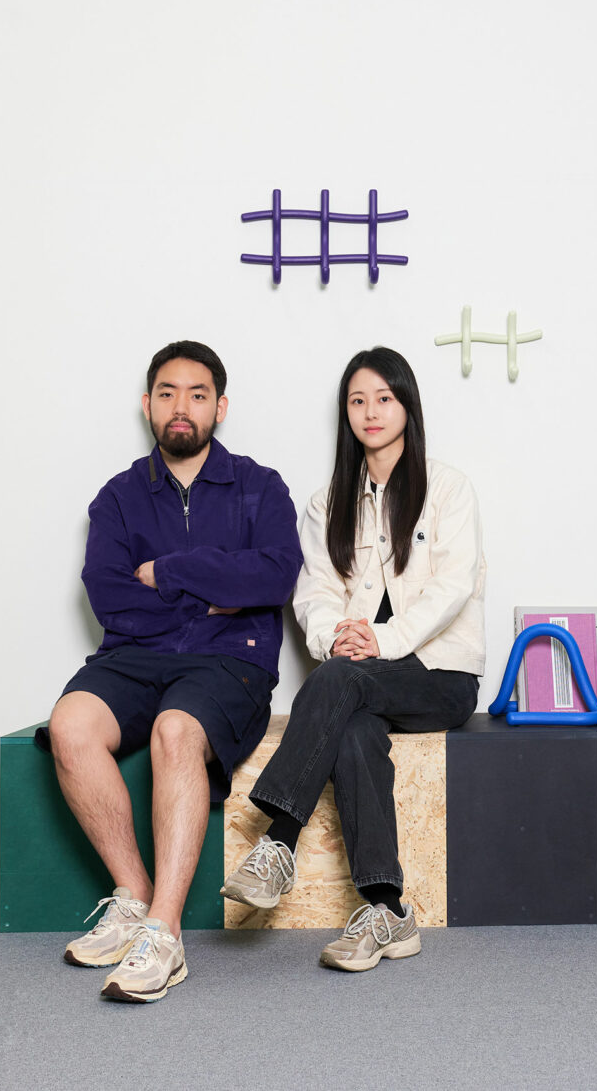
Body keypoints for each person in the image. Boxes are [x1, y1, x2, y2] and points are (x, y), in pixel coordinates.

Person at [43, 340, 302, 1002]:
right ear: (147, 404)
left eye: (195, 393)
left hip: (229, 658)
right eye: (166, 392)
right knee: (70, 724)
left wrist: (174, 571)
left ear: (220, 405)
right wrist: (213, 590)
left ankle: (166, 932)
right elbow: (108, 594)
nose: (179, 406)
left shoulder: (260, 486)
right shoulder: (119, 497)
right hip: (134, 656)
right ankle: (133, 896)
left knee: (176, 730)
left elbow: (274, 575)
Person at [222, 346, 486, 971]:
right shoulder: (327, 503)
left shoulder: (448, 488)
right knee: (353, 733)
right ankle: (387, 908)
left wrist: (382, 641)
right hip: (360, 681)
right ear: (346, 413)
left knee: (343, 686)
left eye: (384, 399)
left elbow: (454, 586)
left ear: (406, 406)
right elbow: (312, 590)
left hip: (440, 675)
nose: (371, 412)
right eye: (358, 401)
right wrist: (335, 636)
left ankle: (278, 842)